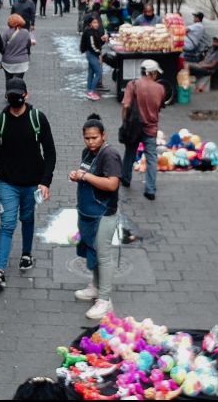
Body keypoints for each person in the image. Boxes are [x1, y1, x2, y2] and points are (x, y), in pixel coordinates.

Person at [0, 79, 56, 288]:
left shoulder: (37, 118)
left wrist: (45, 181)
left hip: (32, 184)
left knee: (27, 218)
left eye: (18, 94)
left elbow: (50, 152)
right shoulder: (0, 121)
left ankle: (26, 254)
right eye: (11, 94)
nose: (15, 97)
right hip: (8, 183)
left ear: (26, 95)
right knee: (7, 224)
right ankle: (0, 270)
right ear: (6, 96)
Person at [69, 114, 122, 319]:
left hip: (104, 214)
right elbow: (86, 175)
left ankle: (105, 299)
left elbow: (112, 184)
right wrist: (77, 176)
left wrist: (85, 176)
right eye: (87, 138)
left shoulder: (110, 155)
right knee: (92, 249)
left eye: (94, 138)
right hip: (88, 213)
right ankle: (96, 286)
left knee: (103, 255)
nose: (90, 142)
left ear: (103, 136)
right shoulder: (88, 153)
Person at [120, 60, 166, 200]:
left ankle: (126, 178)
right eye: (156, 72)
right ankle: (150, 190)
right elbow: (160, 107)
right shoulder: (160, 88)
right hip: (151, 128)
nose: (157, 75)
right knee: (151, 158)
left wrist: (125, 122)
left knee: (130, 153)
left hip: (134, 127)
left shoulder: (132, 85)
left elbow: (126, 106)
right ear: (151, 72)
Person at [1, 14, 31, 83]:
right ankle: (18, 92)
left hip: (8, 62)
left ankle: (8, 93)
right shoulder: (26, 32)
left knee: (8, 80)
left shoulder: (6, 33)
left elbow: (2, 47)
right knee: (19, 81)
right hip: (22, 62)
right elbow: (28, 45)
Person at [82, 17, 104, 101]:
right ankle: (91, 91)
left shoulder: (94, 31)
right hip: (92, 54)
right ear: (90, 24)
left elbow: (97, 43)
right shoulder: (90, 33)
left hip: (92, 54)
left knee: (91, 72)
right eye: (94, 23)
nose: (96, 24)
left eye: (97, 23)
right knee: (99, 72)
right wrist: (99, 54)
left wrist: (103, 40)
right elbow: (93, 46)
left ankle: (89, 90)